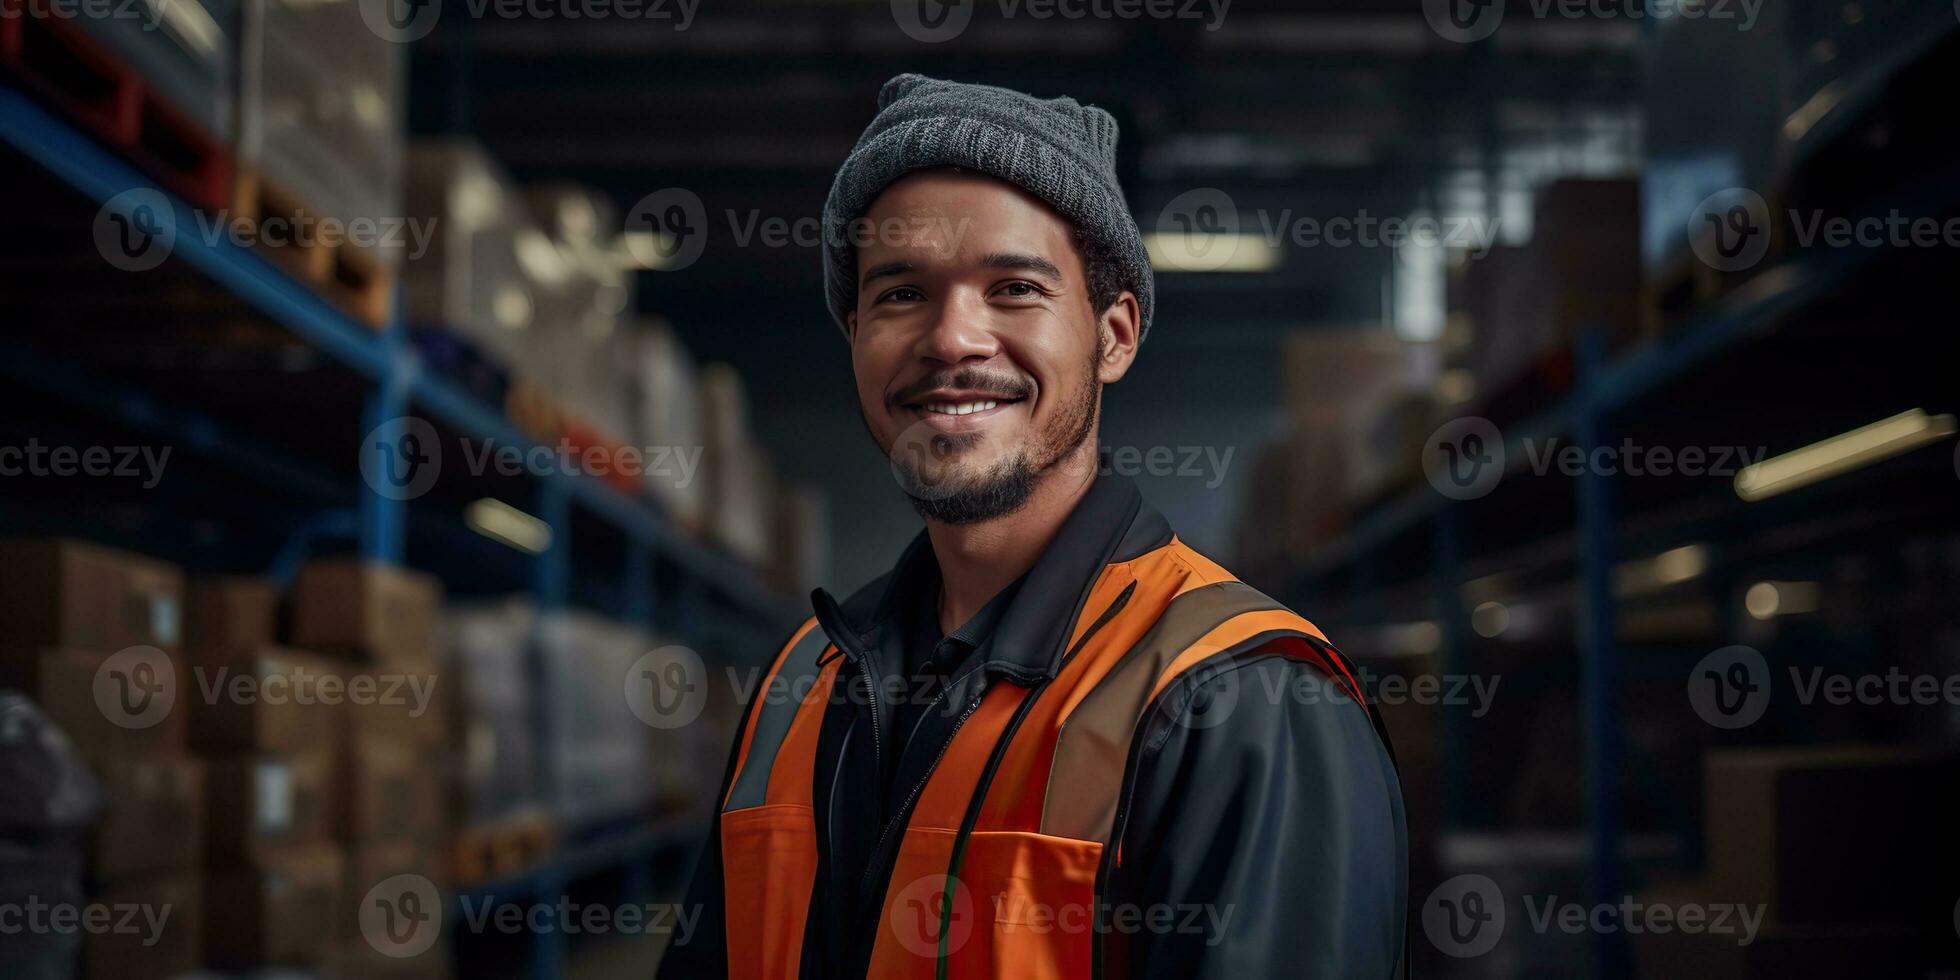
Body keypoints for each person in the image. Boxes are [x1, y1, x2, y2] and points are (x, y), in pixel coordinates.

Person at [658, 74, 1406, 979]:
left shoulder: (1242, 701)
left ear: (1115, 334)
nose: (952, 338)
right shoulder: (796, 690)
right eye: (900, 294)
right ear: (854, 332)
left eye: (1013, 286)